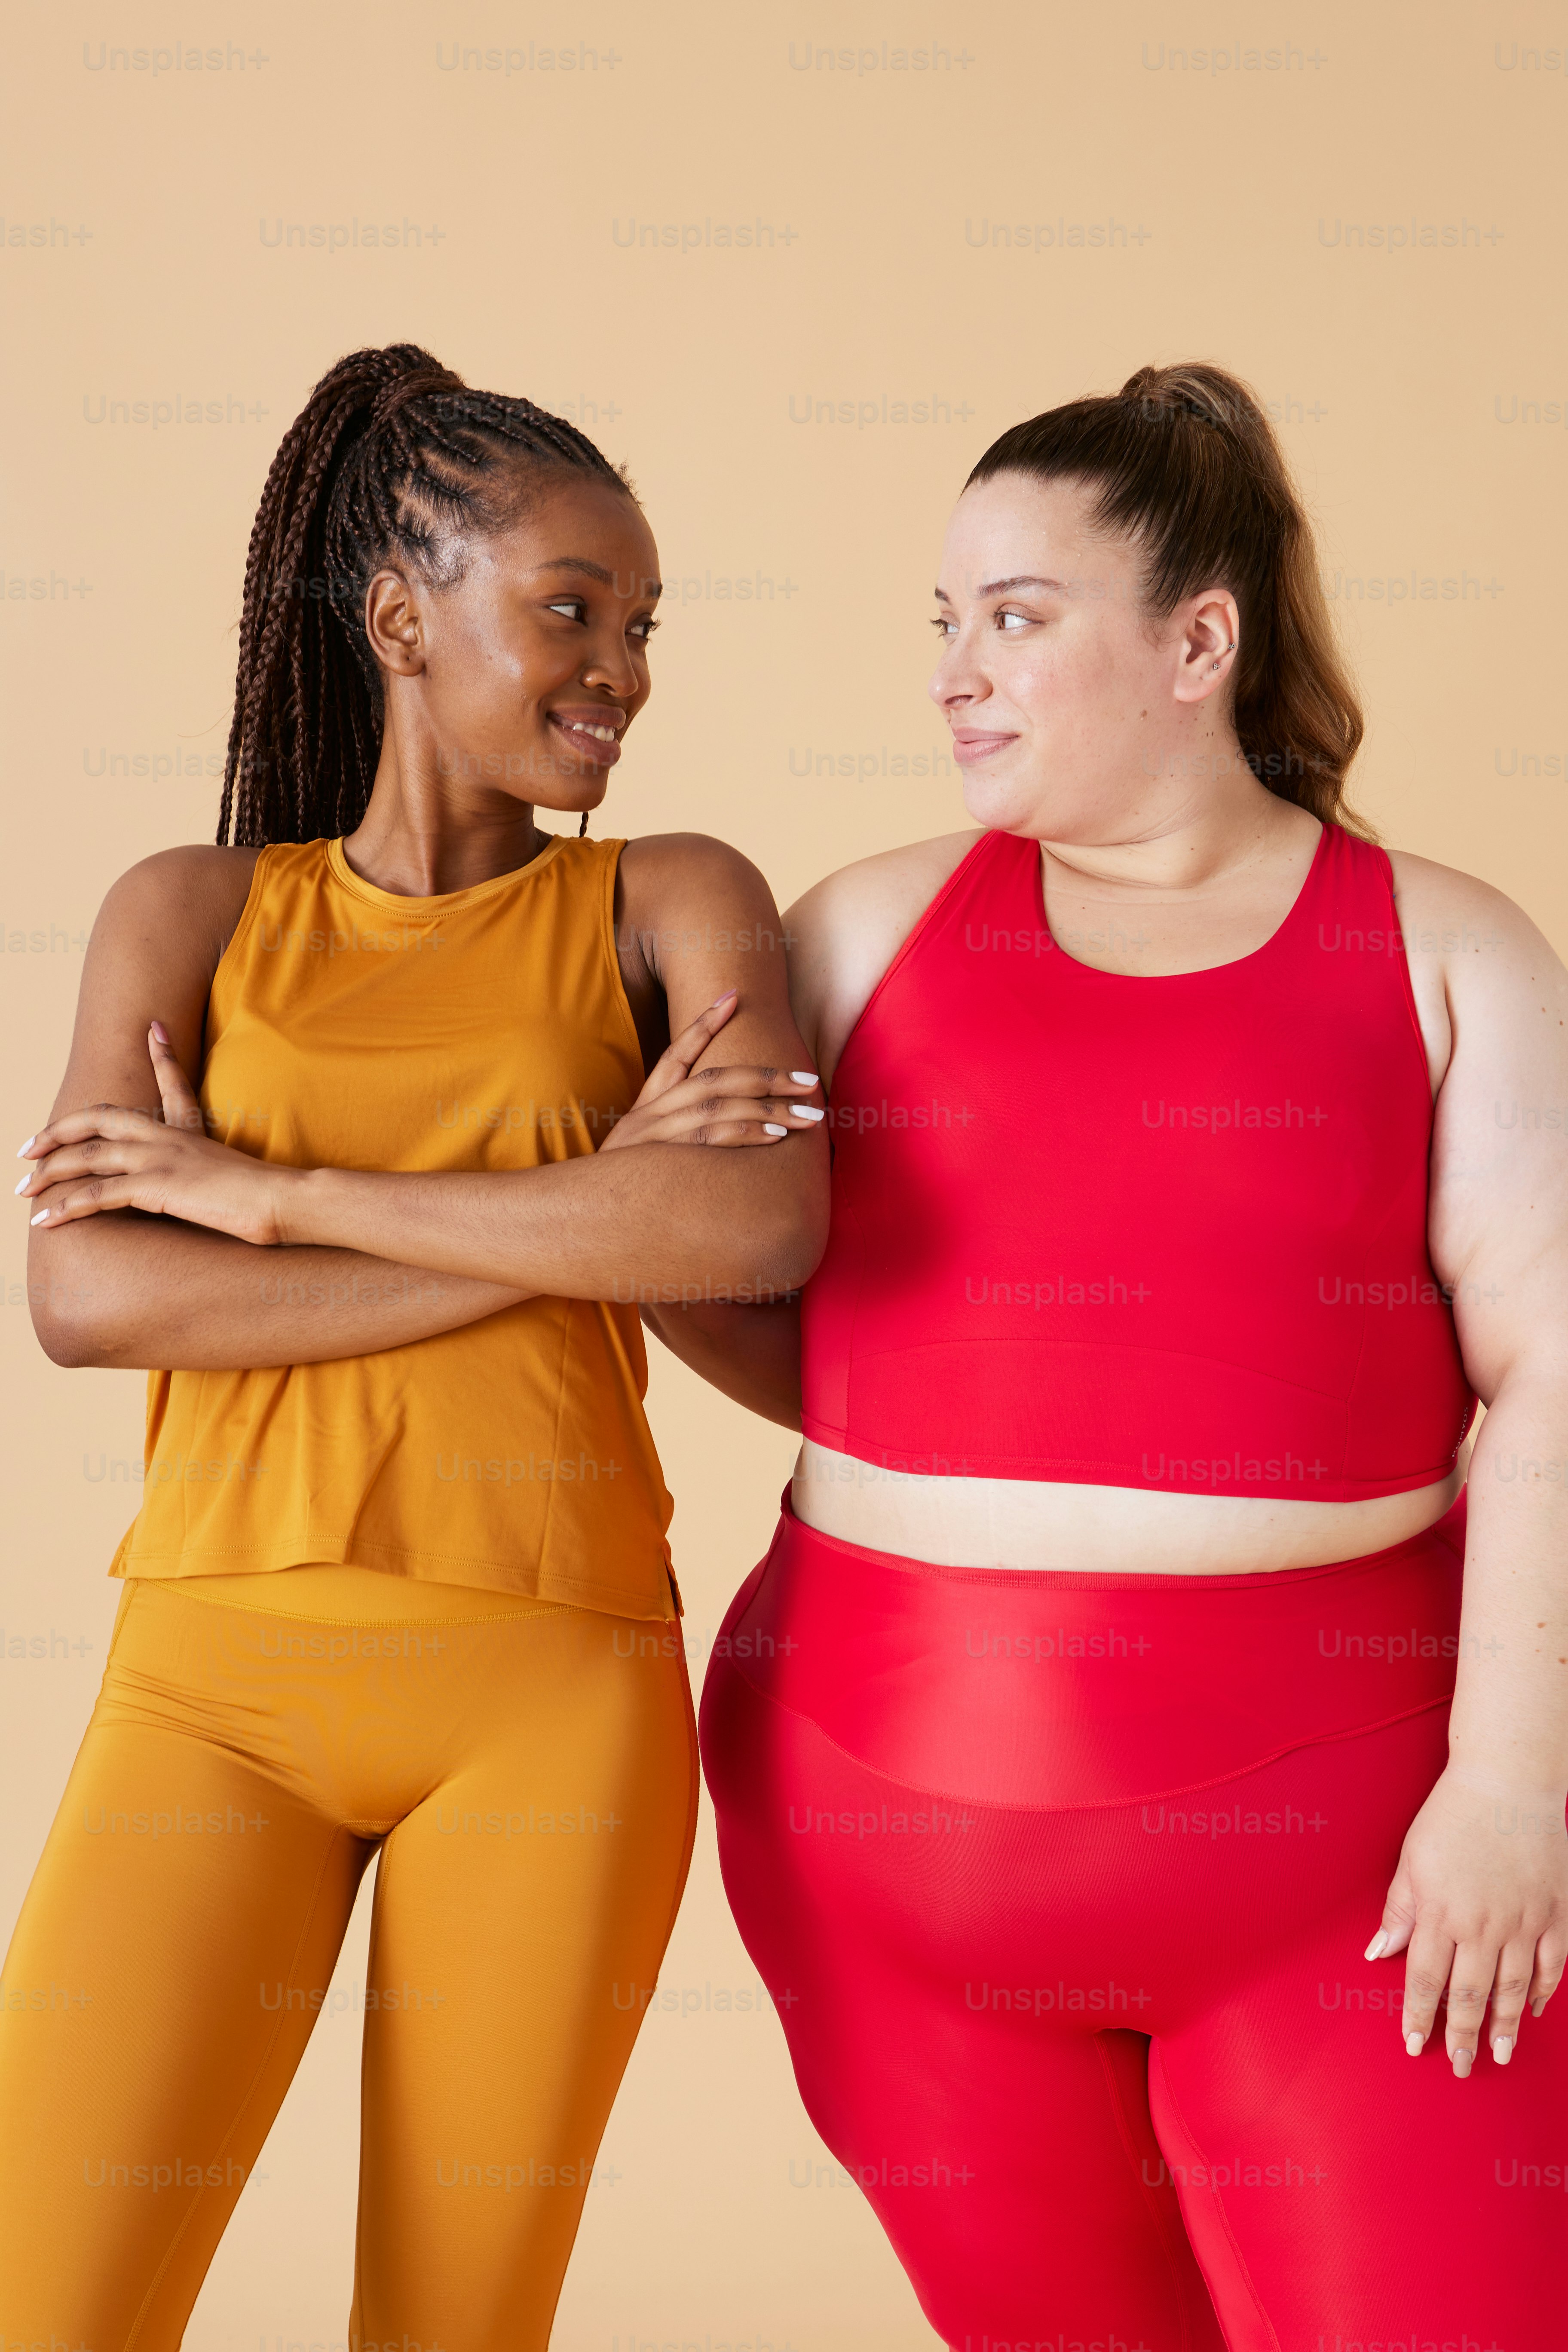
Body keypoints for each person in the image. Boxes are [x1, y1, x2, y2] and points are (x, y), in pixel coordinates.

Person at [660, 364, 1568, 2347]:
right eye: (943, 627)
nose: (957, 675)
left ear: (1198, 641)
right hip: (876, 1858)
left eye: (1016, 616)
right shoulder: (859, 937)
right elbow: (709, 1269)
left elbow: (1561, 1386)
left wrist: (1515, 1785)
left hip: (1356, 1881)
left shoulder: (1448, 954)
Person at [1, 343, 827, 2348]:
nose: (621, 666)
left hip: (551, 1701)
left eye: (641, 627)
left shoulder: (675, 899)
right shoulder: (191, 911)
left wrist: (283, 1200)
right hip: (213, 1681)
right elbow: (91, 1293)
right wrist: (572, 1210)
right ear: (398, 616)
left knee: (455, 2329)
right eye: (572, 610)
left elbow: (747, 1222)